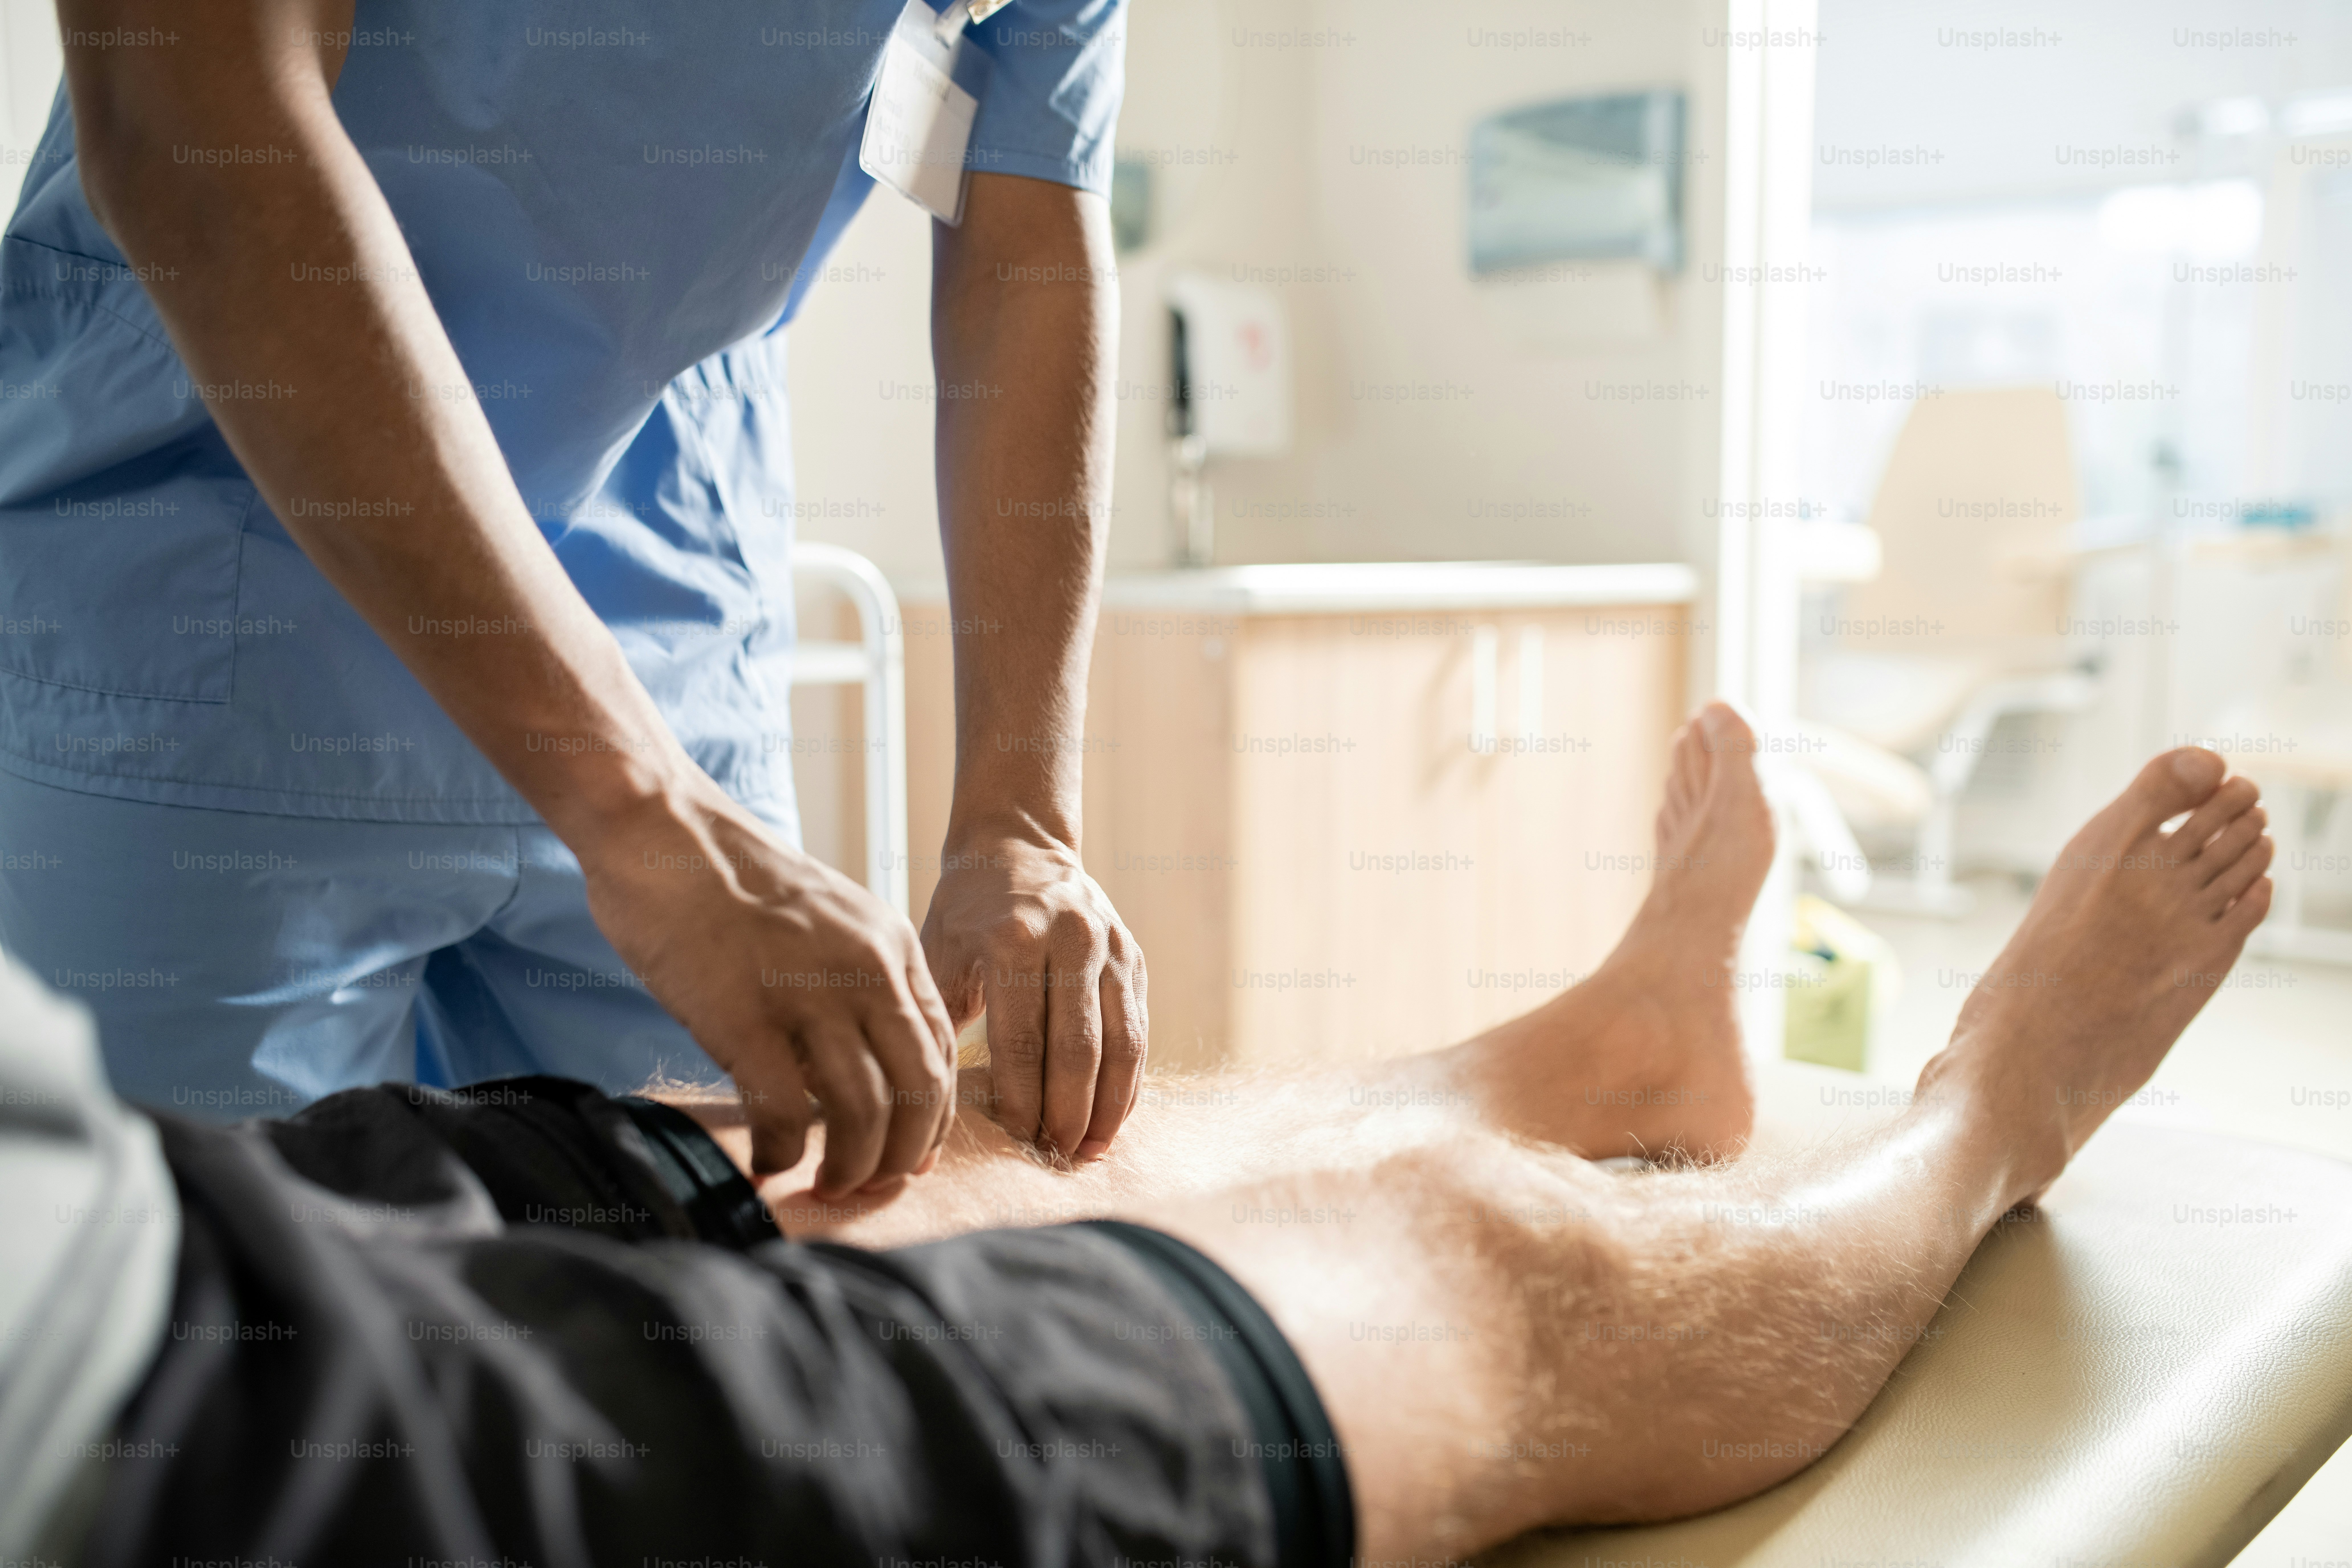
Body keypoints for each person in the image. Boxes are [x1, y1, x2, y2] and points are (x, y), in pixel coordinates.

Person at [0, 706, 2278, 1565]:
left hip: (136, 1244)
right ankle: (1992, 1108)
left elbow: (1024, 232)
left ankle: (1599, 1054)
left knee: (830, 1164)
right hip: (169, 1469)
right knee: (1452, 1261)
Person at [0, 0, 1144, 1201]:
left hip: (668, 599)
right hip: (211, 588)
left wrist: (1021, 817)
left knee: (719, 1309)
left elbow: (1028, 238)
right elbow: (192, 129)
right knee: (219, 1327)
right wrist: (640, 809)